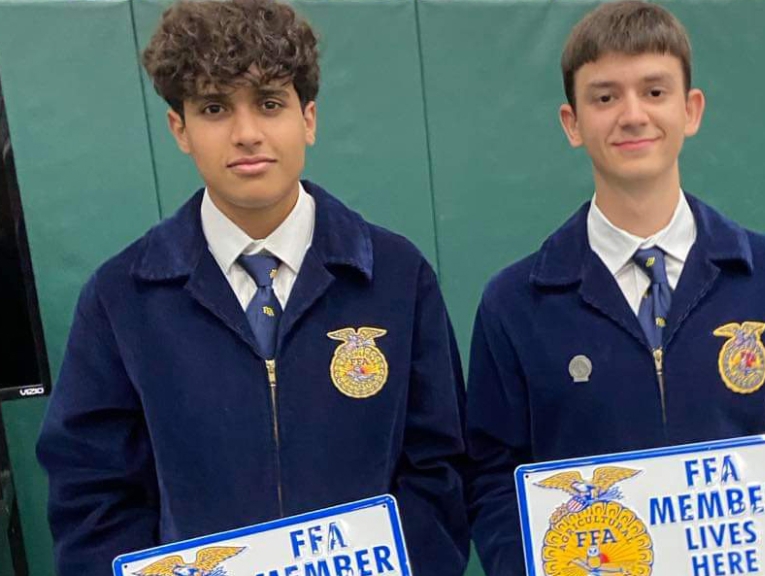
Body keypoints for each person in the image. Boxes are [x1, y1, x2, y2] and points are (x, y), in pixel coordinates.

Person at [35, 1, 469, 574]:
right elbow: (91, 490)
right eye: (215, 107)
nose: (246, 133)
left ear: (308, 118)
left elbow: (439, 467)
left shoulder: (394, 275)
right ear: (180, 128)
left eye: (269, 104)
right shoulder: (122, 298)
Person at [465, 3, 765, 575]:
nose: (632, 115)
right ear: (572, 122)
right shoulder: (514, 303)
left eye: (655, 92)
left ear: (691, 109)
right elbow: (489, 473)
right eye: (605, 97)